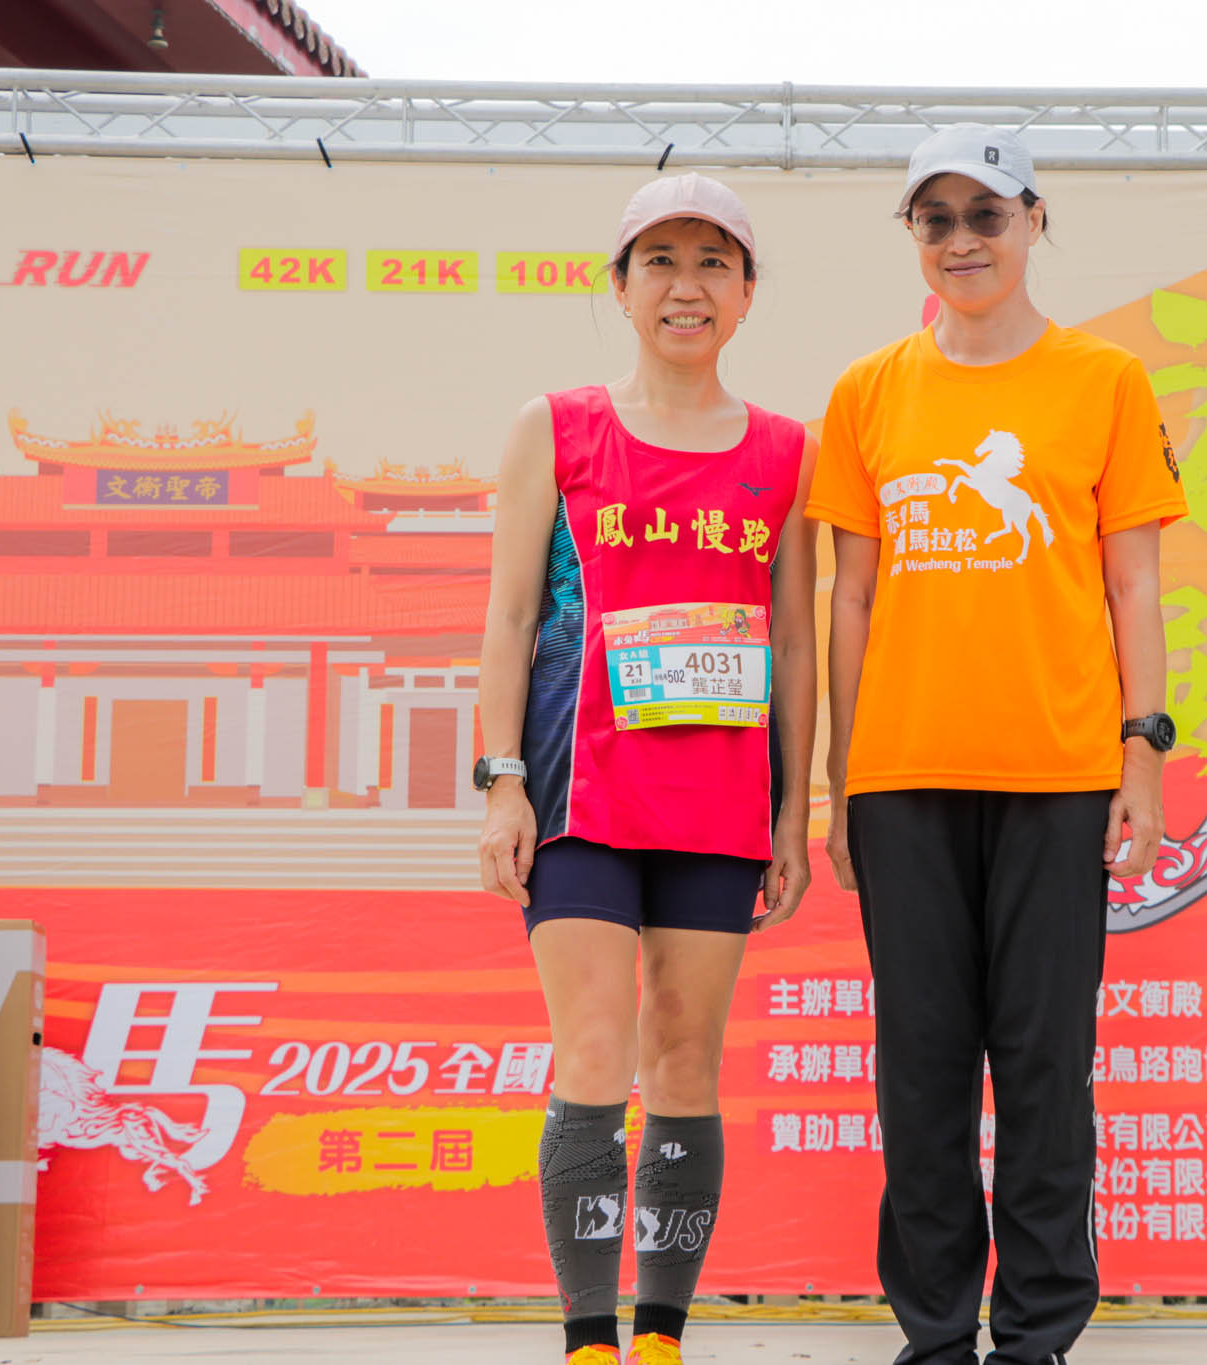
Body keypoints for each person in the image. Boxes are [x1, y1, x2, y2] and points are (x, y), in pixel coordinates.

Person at [808, 125, 1188, 1364]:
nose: (962, 240)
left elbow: (1132, 583)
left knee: (1041, 1064)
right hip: (902, 778)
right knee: (919, 1068)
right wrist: (840, 782)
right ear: (912, 237)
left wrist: (1140, 755)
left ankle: (1034, 1336)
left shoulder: (1103, 380)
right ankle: (933, 1336)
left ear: (1033, 221)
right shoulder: (868, 391)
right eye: (936, 219)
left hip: (1059, 773)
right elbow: (850, 600)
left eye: (986, 214)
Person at [473, 172, 819, 1365]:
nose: (686, 286)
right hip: (580, 794)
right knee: (592, 1049)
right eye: (659, 261)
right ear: (619, 289)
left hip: (718, 805)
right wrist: (501, 780)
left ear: (747, 293)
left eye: (713, 262)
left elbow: (793, 644)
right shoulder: (558, 427)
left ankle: (662, 1336)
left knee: (683, 1055)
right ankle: (588, 1340)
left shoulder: (783, 452)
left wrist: (792, 811)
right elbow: (510, 615)